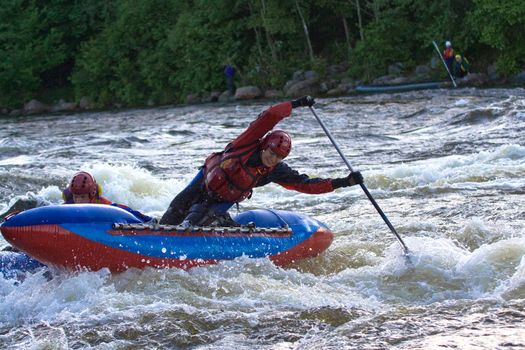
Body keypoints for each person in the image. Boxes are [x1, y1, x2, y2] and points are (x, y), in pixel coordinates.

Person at [159, 96, 364, 227]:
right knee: (175, 211)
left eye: (277, 157)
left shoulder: (275, 170)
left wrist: (345, 182)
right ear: (264, 146)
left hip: (223, 200)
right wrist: (296, 104)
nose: (271, 159)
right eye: (270, 153)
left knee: (195, 220)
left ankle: (215, 225)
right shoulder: (246, 143)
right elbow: (269, 116)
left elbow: (307, 185)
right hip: (204, 181)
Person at [62, 171, 153, 222]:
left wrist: (146, 220)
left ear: (91, 195)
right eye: (76, 197)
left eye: (82, 197)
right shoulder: (70, 203)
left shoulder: (100, 203)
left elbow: (122, 210)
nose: (78, 201)